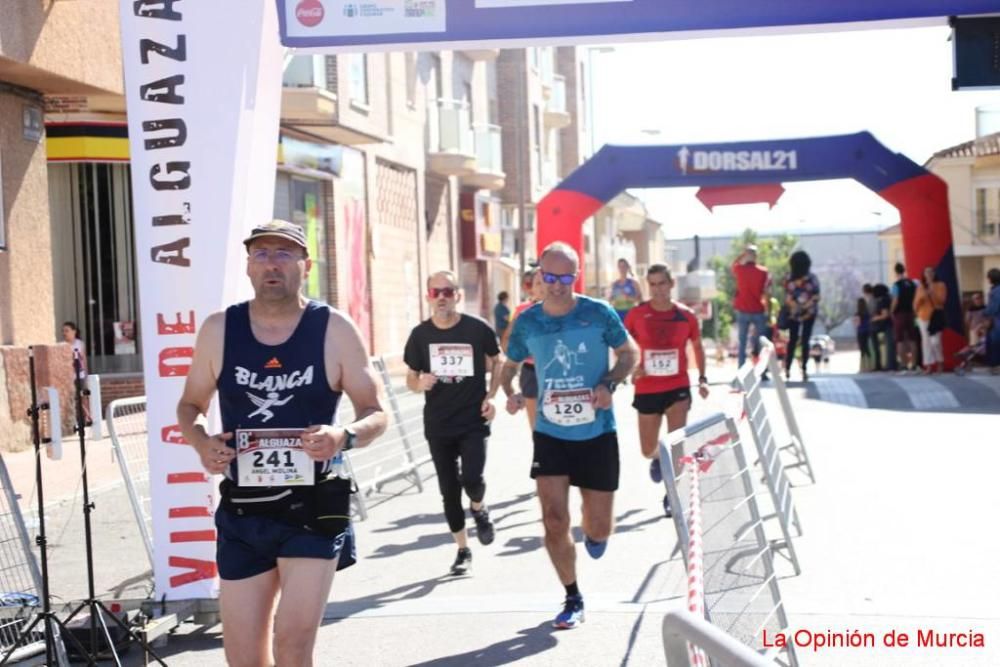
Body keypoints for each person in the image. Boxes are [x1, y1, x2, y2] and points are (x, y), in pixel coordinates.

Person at [176, 219, 388, 667]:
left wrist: (342, 436)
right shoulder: (219, 329)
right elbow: (190, 405)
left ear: (305, 265)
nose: (272, 264)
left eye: (284, 254)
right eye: (262, 254)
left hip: (311, 508)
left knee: (292, 644)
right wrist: (201, 442)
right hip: (243, 510)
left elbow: (377, 411)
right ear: (249, 267)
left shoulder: (333, 328)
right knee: (243, 659)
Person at [501, 242, 637, 630]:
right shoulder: (528, 321)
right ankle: (572, 595)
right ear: (539, 276)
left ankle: (595, 534)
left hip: (597, 433)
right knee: (554, 519)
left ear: (576, 276)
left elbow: (629, 353)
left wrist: (610, 381)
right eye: (549, 277)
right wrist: (509, 392)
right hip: (550, 433)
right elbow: (508, 365)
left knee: (597, 527)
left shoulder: (598, 313)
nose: (557, 285)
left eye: (565, 277)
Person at [404, 270, 501, 575]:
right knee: (448, 490)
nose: (442, 297)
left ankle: (479, 507)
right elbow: (410, 378)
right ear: (428, 298)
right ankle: (463, 550)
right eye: (436, 292)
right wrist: (421, 382)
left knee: (472, 478)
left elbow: (498, 359)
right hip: (439, 423)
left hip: (473, 419)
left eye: (448, 291)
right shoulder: (420, 335)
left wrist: (492, 395)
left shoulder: (477, 329)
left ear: (458, 295)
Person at [624, 264, 709, 518]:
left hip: (677, 387)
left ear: (671, 284)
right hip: (647, 388)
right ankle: (657, 459)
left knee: (676, 444)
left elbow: (698, 347)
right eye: (653, 284)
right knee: (648, 448)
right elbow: (622, 344)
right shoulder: (638, 314)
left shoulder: (686, 316)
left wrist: (702, 378)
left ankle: (673, 496)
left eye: (662, 283)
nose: (658, 289)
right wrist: (632, 367)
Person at [502, 268, 546, 430]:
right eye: (537, 283)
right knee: (537, 430)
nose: (542, 287)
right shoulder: (523, 311)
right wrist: (520, 352)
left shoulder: (567, 310)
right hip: (531, 370)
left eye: (546, 282)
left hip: (560, 370)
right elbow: (507, 341)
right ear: (531, 289)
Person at [782, 250, 820, 381]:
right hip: (809, 313)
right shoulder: (812, 278)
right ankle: (804, 369)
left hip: (793, 313)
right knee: (805, 340)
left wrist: (796, 306)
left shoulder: (788, 279)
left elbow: (787, 298)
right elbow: (816, 296)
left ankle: (787, 368)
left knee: (792, 341)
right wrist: (806, 305)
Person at [731, 245, 771, 368]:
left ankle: (741, 368)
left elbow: (733, 264)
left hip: (742, 310)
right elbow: (767, 292)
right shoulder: (763, 271)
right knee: (761, 342)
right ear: (756, 256)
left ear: (746, 255)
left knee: (742, 342)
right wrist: (768, 311)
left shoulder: (739, 269)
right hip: (758, 309)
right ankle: (761, 369)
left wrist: (742, 254)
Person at [914, 266, 948, 374]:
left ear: (934, 274)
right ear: (923, 275)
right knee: (926, 342)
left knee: (935, 341)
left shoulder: (940, 285)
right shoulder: (920, 287)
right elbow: (915, 304)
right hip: (923, 316)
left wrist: (932, 291)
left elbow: (941, 301)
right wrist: (922, 297)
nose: (928, 274)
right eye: (926, 272)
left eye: (930, 272)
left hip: (936, 316)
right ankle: (928, 365)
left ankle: (940, 362)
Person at [890, 262, 918, 373]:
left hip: (900, 314)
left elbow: (895, 300)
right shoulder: (912, 284)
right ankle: (914, 365)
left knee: (900, 340)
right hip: (911, 313)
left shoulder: (896, 285)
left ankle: (904, 365)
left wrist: (892, 311)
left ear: (896, 272)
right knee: (912, 339)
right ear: (904, 270)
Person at [61, 321, 91, 423]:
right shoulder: (63, 346)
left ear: (74, 331)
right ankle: (73, 420)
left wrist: (86, 375)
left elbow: (84, 360)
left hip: (80, 374)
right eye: (63, 331)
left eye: (67, 330)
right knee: (72, 398)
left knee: (83, 396)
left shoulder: (79, 343)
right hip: (69, 376)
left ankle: (87, 417)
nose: (65, 333)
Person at [985, 268, 1000, 374]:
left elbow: (993, 308)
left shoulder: (995, 291)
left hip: (997, 320)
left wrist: (984, 313)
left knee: (994, 342)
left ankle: (995, 365)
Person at [853, 298, 872, 372]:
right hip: (867, 332)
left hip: (860, 332)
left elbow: (857, 324)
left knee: (862, 349)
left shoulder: (857, 314)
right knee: (867, 348)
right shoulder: (868, 313)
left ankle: (862, 367)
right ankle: (869, 366)